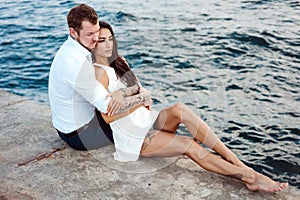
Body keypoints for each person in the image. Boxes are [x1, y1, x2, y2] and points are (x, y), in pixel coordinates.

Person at [91, 21, 289, 193]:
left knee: (180, 109)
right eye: (102, 41)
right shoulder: (98, 74)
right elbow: (109, 116)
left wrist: (138, 98)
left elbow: (144, 93)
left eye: (111, 39)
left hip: (148, 120)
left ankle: (236, 161)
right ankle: (249, 176)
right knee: (189, 144)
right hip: (135, 137)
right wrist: (139, 100)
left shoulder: (120, 61)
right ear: (93, 45)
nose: (108, 45)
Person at [48, 4, 116, 150]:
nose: (96, 38)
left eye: (97, 31)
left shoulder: (73, 48)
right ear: (73, 32)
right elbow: (108, 106)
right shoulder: (75, 63)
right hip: (80, 136)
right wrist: (140, 99)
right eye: (89, 34)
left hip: (70, 126)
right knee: (132, 125)